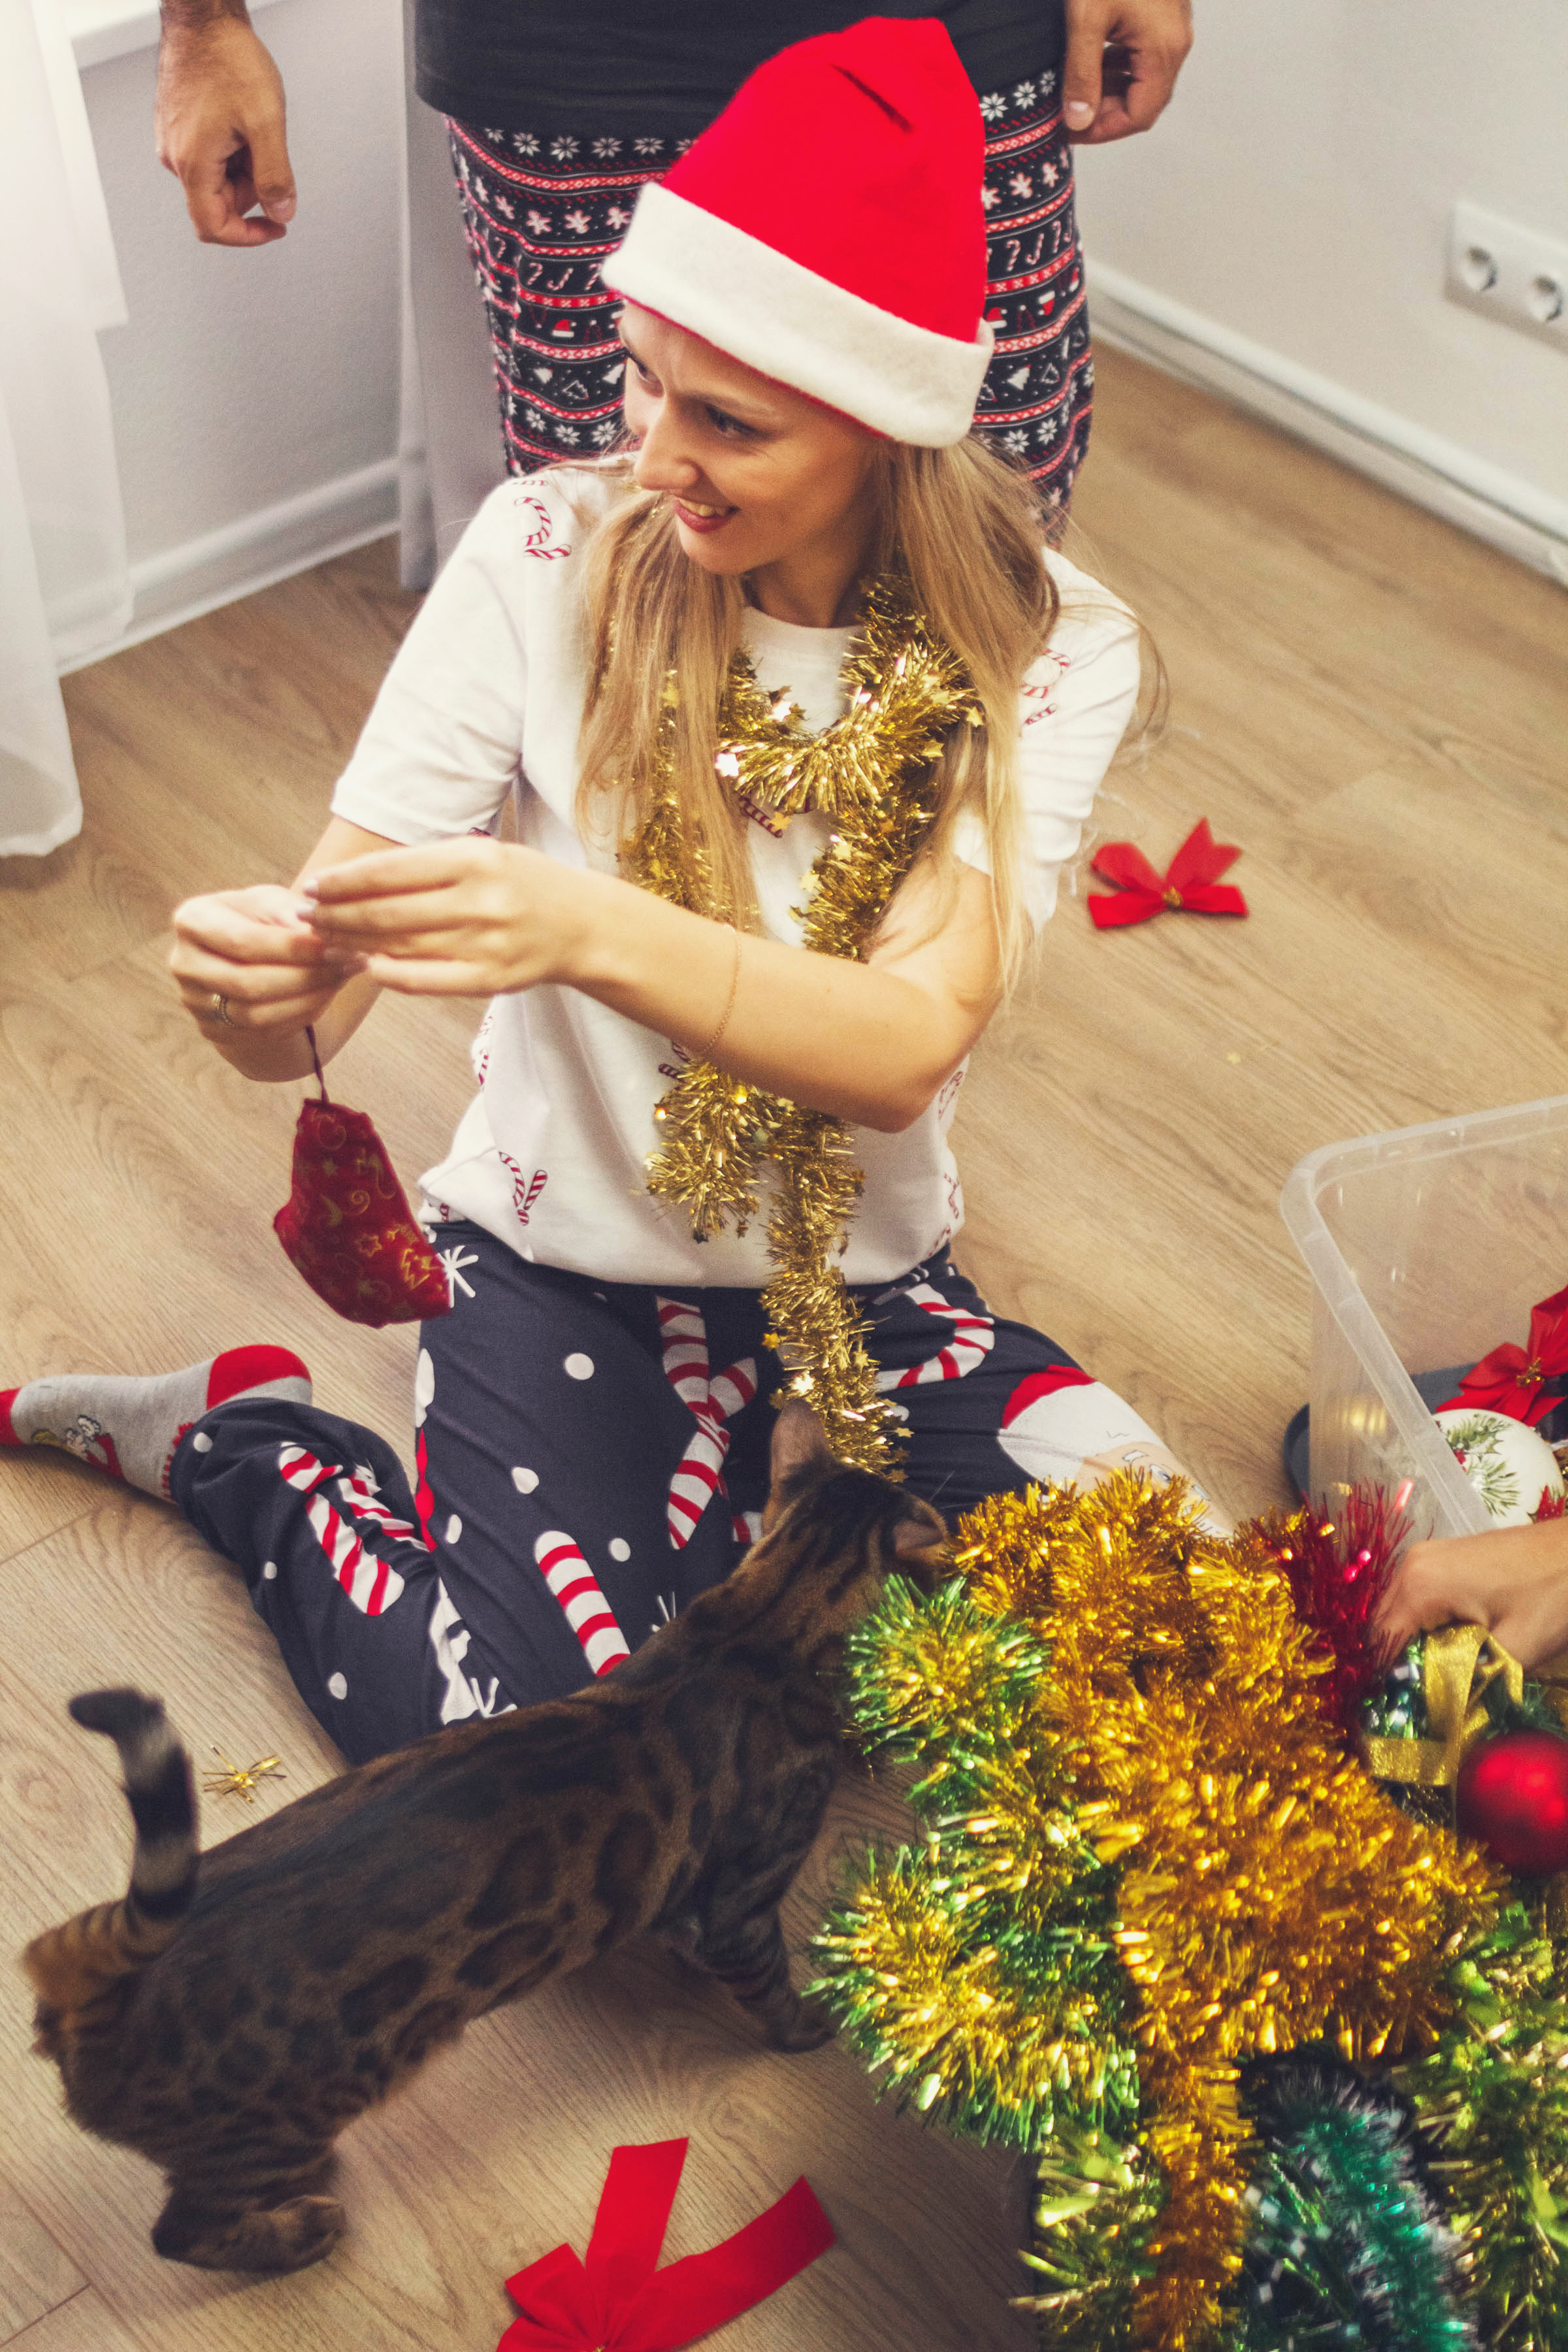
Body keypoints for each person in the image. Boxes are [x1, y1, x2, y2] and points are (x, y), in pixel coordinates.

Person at [8, 24, 1218, 1768]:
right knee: (522, 1760)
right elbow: (316, 1011)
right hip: (556, 1265)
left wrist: (578, 925)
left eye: (725, 419)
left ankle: (782, 1498)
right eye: (640, 380)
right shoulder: (544, 554)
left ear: (889, 429)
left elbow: (897, 1050)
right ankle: (251, 1447)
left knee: (1192, 1620)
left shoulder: (1044, 644)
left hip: (859, 1279)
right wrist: (257, 998)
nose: (649, 453)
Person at [154, 0, 1194, 514]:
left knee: (983, 513)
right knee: (626, 545)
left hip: (956, 45)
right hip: (576, 70)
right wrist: (203, 25)